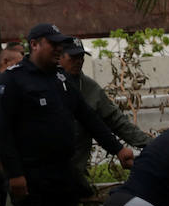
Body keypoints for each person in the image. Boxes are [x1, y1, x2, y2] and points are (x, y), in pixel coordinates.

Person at [0, 23, 135, 206]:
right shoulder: (13, 79)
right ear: (34, 44)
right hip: (32, 179)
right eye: (53, 44)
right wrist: (15, 174)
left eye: (61, 44)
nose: (59, 48)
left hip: (63, 175)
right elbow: (2, 131)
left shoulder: (60, 78)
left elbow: (87, 116)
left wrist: (118, 149)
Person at [59, 36, 151, 195]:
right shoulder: (45, 83)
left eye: (81, 57)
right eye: (73, 57)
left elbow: (115, 122)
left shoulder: (89, 88)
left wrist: (151, 145)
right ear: (58, 56)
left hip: (74, 170)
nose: (78, 61)